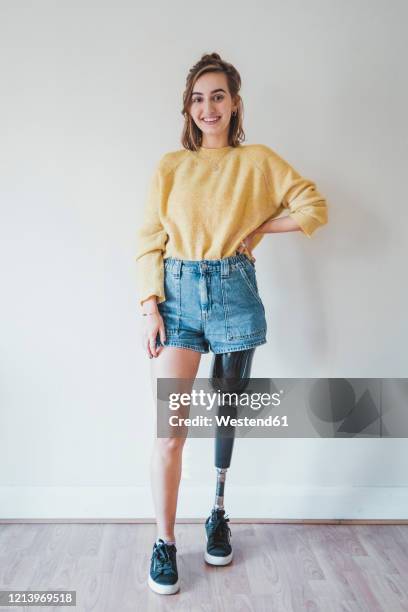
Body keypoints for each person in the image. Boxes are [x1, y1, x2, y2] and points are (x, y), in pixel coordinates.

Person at [135, 52, 328, 595]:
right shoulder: (170, 167)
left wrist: (264, 224)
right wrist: (149, 305)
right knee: (169, 431)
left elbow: (314, 207)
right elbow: (149, 239)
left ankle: (218, 511)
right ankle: (165, 542)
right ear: (188, 108)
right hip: (175, 299)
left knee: (226, 412)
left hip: (234, 293)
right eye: (198, 98)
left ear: (235, 103)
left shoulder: (258, 160)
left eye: (218, 96)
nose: (208, 107)